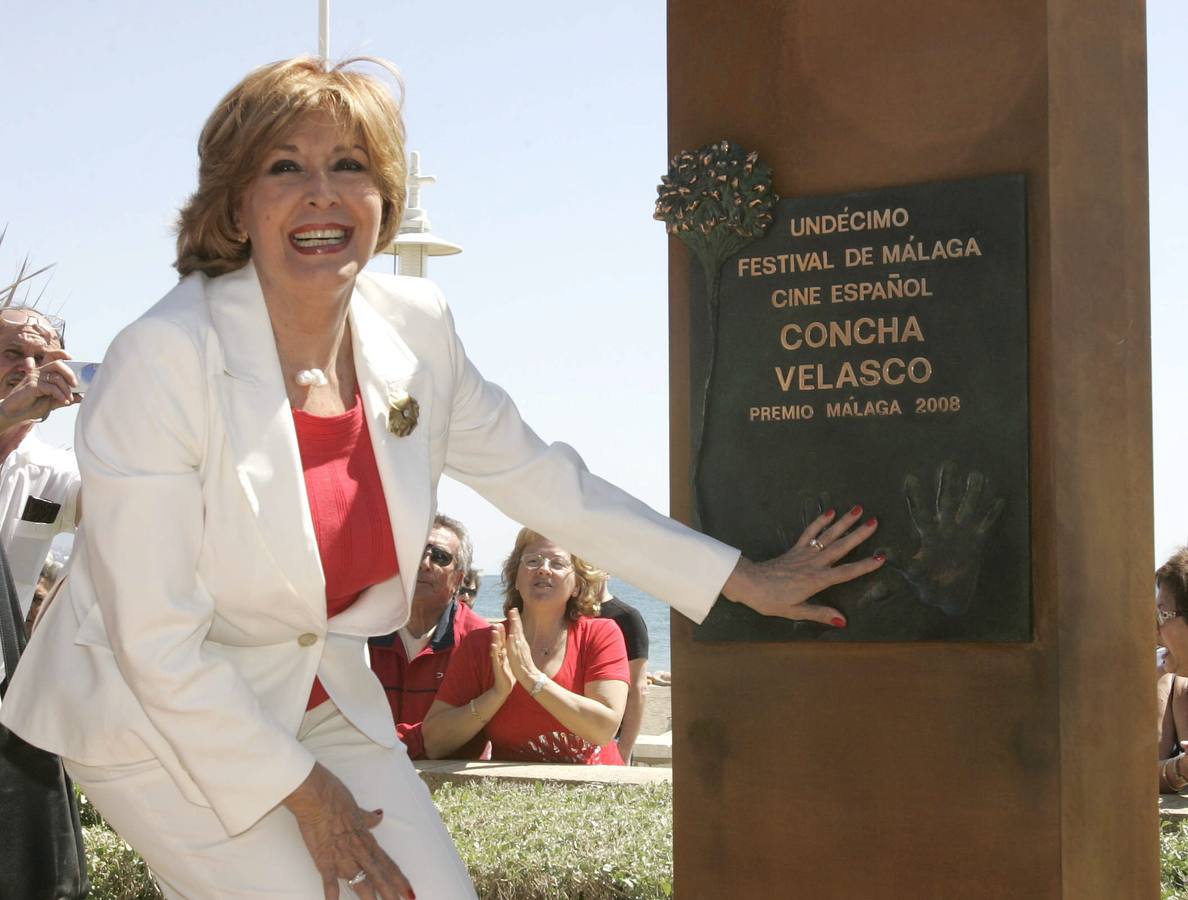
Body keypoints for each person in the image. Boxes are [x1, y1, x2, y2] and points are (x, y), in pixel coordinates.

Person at [0, 56, 884, 899]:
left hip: (323, 700)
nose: (322, 193)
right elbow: (156, 641)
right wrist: (309, 797)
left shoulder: (415, 329)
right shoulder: (165, 357)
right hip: (158, 716)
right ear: (236, 209)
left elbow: (545, 481)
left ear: (384, 200)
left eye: (350, 164)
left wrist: (742, 581)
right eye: (284, 167)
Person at [422, 530, 628, 764]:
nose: (543, 569)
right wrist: (496, 695)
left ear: (577, 586)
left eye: (558, 563)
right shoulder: (482, 643)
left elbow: (603, 730)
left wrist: (532, 679)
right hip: (513, 792)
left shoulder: (601, 634)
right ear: (516, 579)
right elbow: (434, 743)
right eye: (532, 561)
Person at [368, 514, 487, 759]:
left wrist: (396, 744)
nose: (424, 563)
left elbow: (468, 735)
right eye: (416, 552)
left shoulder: (479, 639)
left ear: (458, 579)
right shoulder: (365, 629)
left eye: (440, 557)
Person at [0, 307, 81, 621]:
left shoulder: (55, 473)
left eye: (44, 359)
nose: (29, 369)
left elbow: (117, 509)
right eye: (13, 353)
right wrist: (7, 414)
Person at [595, 577, 649, 762]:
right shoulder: (568, 612)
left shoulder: (626, 616)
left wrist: (624, 750)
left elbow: (638, 689)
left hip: (613, 738)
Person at [1157, 547, 1188, 792]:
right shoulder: (1172, 685)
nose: (1154, 632)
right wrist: (1181, 768)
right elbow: (1134, 772)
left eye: (1162, 615)